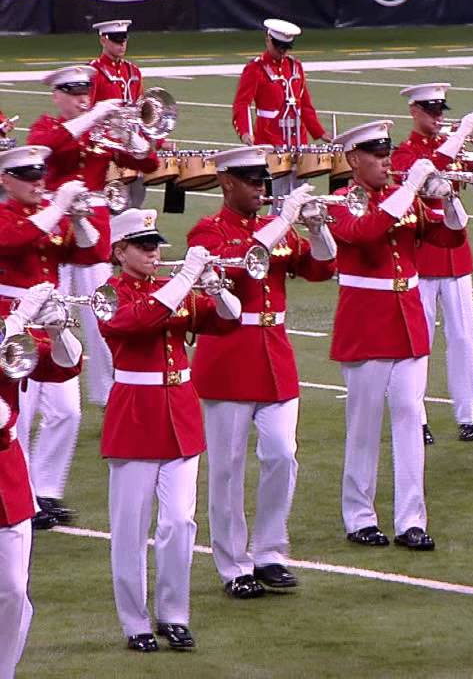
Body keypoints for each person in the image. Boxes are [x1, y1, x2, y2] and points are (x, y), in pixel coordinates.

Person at [188, 146, 336, 599]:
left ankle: (270, 551)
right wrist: (286, 218)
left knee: (281, 455)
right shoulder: (208, 231)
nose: (261, 189)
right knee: (228, 470)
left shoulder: (272, 228)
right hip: (230, 358)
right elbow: (242, 260)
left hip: (275, 357)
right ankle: (234, 565)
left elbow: (320, 268)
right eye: (253, 181)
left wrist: (318, 227)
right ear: (227, 182)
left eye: (264, 181)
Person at [98, 208, 242, 652]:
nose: (154, 253)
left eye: (156, 244)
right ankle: (135, 622)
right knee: (130, 528)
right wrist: (187, 278)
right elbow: (140, 321)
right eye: (143, 246)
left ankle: (174, 614)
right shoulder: (109, 294)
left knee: (180, 522)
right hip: (136, 418)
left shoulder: (169, 288)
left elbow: (229, 319)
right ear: (120, 251)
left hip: (179, 415)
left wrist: (215, 287)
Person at [328, 120, 465, 550]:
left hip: (407, 323)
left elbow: (448, 237)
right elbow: (365, 233)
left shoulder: (399, 197)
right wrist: (411, 188)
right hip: (366, 325)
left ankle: (411, 519)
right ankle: (359, 516)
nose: (387, 162)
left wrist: (449, 199)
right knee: (364, 424)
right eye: (376, 155)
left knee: (408, 418)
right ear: (353, 159)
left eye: (388, 154)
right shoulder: (338, 202)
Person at [28, 64, 159, 408]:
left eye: (86, 93)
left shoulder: (101, 131)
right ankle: (38, 386)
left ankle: (107, 394)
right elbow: (46, 144)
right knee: (47, 313)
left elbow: (149, 164)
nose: (82, 100)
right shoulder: (48, 125)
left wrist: (131, 136)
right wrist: (96, 115)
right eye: (73, 94)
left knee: (102, 312)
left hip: (94, 236)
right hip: (54, 236)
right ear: (57, 97)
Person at [391, 83, 473, 444]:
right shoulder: (404, 153)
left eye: (441, 110)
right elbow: (432, 168)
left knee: (462, 339)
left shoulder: (452, 146)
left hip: (456, 256)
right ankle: (418, 416)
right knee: (418, 343)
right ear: (414, 111)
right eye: (431, 110)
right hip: (422, 255)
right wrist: (460, 134)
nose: (438, 117)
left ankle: (466, 414)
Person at [0, 146, 107, 530]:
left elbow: (94, 252)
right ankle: (24, 494)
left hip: (50, 320)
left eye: (39, 176)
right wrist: (59, 206)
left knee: (67, 410)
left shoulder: (50, 214)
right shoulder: (6, 215)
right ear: (5, 181)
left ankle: (44, 489)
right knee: (19, 415)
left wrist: (78, 220)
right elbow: (13, 241)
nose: (37, 184)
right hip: (10, 322)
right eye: (27, 178)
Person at [0, 284, 84, 679]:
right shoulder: (10, 318)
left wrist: (57, 329)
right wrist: (17, 321)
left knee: (15, 591)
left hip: (7, 475)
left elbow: (63, 365)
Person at [231, 19, 331, 195]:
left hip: (298, 138)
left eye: (286, 47)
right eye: (278, 46)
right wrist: (245, 132)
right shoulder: (255, 68)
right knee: (277, 196)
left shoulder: (295, 66)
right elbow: (242, 103)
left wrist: (320, 132)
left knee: (302, 194)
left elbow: (304, 105)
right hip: (270, 137)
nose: (282, 51)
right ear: (268, 40)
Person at [89, 19, 150, 211]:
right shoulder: (93, 72)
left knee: (137, 194)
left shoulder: (133, 71)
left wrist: (153, 138)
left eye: (123, 40)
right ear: (103, 40)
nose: (121, 45)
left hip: (132, 143)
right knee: (112, 200)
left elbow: (142, 109)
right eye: (116, 40)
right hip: (107, 145)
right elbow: (87, 111)